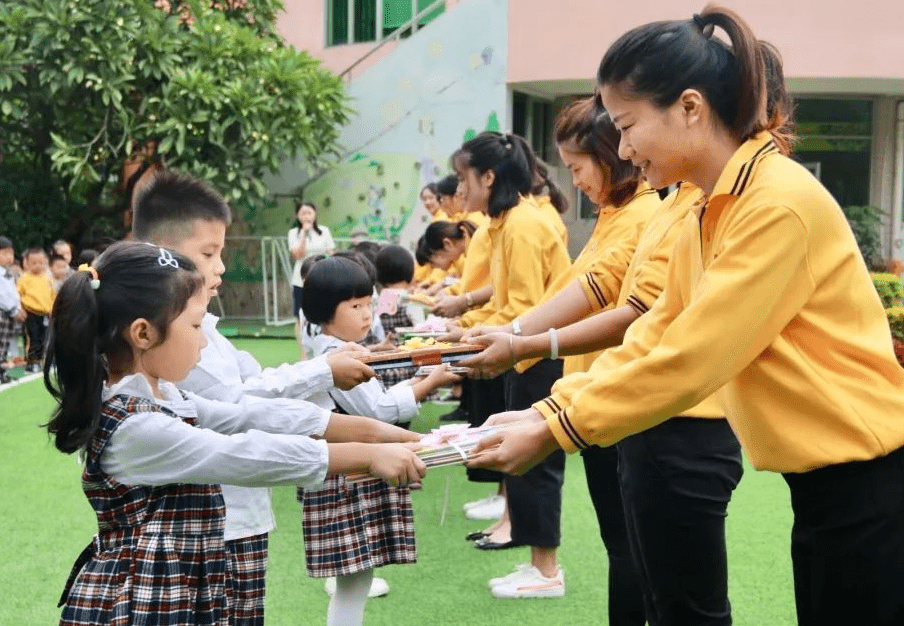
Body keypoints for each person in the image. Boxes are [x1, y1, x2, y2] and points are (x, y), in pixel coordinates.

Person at [468, 6, 904, 626]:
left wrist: (556, 424)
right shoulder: (710, 204)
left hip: (868, 481)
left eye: (627, 126)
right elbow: (656, 327)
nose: (622, 149)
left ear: (691, 108)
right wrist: (549, 409)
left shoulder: (774, 205)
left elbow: (694, 355)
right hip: (832, 487)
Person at [44, 241, 426, 626]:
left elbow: (247, 414)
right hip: (136, 601)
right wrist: (369, 455)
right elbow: (242, 454)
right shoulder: (136, 427)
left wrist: (376, 432)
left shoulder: (166, 395)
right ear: (143, 334)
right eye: (195, 325)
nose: (204, 339)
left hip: (175, 589)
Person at [131, 170, 390, 625]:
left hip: (242, 515)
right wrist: (348, 431)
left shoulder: (205, 327)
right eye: (208, 253)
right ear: (161, 257)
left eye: (220, 252)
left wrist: (364, 431)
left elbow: (254, 393)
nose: (221, 267)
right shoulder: (173, 344)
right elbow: (240, 420)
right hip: (212, 528)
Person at [298, 256, 461, 626]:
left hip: (351, 471)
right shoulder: (334, 357)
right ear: (325, 311)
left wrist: (418, 379)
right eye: (355, 306)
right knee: (354, 580)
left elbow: (378, 400)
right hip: (349, 478)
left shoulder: (338, 349)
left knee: (357, 578)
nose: (366, 314)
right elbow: (380, 411)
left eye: (368, 303)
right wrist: (428, 383)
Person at [446, 131, 573, 597]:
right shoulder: (505, 224)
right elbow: (506, 303)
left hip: (539, 354)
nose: (462, 189)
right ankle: (537, 563)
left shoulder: (521, 225)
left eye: (465, 178)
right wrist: (469, 327)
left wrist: (471, 332)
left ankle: (546, 570)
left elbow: (525, 307)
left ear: (489, 177)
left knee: (537, 463)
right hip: (526, 350)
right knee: (523, 461)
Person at [288, 201, 335, 344]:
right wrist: (303, 234)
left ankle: (322, 346)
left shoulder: (324, 231)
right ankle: (304, 353)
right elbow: (297, 254)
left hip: (322, 278)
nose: (306, 216)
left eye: (309, 212)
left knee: (323, 313)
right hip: (300, 281)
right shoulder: (293, 233)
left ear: (315, 214)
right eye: (303, 213)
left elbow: (331, 252)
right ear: (297, 216)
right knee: (300, 317)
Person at [16, 247, 54, 373]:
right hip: (30, 312)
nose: (38, 265)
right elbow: (18, 295)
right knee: (33, 337)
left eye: (41, 262)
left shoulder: (47, 278)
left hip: (45, 313)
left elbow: (52, 296)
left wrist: (52, 309)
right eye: (34, 263)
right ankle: (31, 361)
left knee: (44, 337)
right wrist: (20, 308)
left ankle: (39, 359)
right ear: (26, 263)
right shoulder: (24, 278)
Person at [0, 236, 24, 384]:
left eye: (11, 253)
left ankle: (4, 371)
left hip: (10, 315)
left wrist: (18, 308)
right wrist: (14, 310)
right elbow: (2, 295)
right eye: (5, 253)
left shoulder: (7, 273)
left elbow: (14, 293)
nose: (9, 257)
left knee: (5, 345)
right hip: (3, 314)